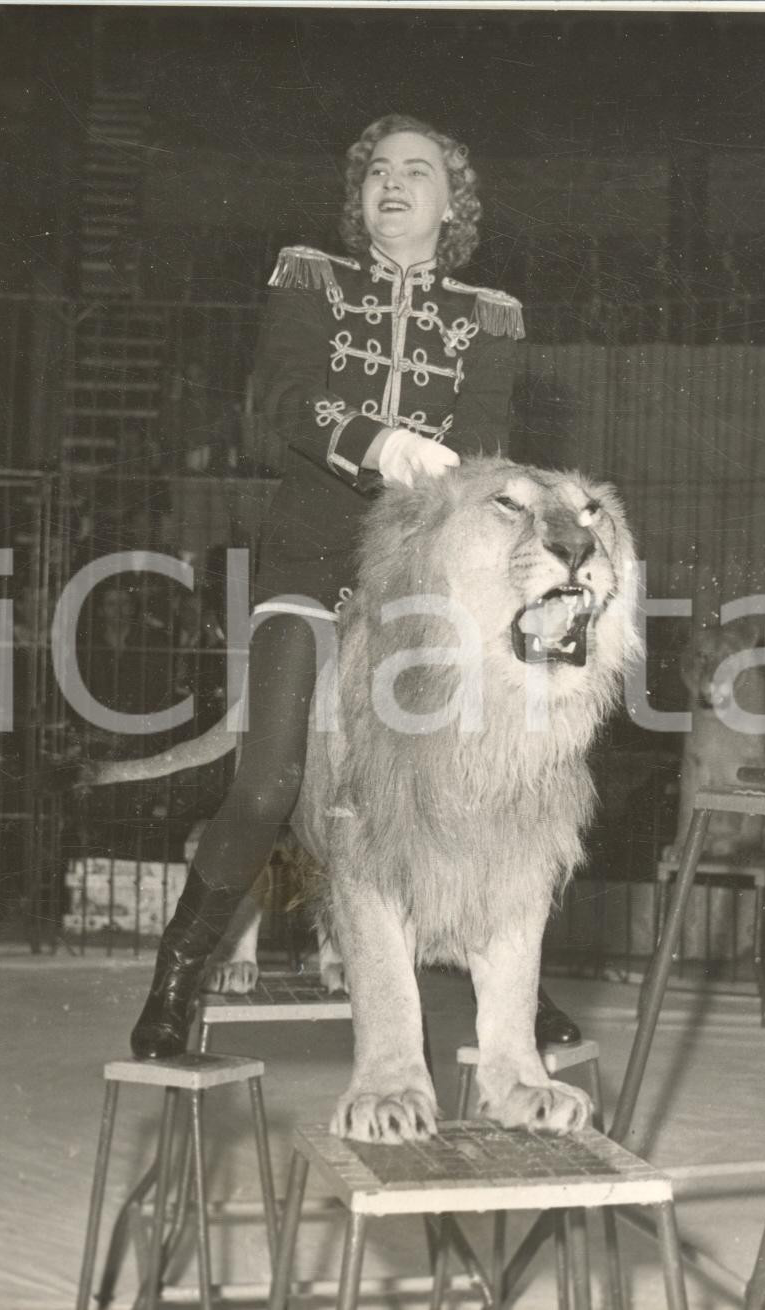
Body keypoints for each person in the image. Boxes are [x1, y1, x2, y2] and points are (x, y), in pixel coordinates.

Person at [131, 114, 580, 1058]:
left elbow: (484, 451)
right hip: (308, 560)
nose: (393, 184)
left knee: (490, 765)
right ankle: (178, 976)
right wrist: (379, 444)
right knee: (270, 783)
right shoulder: (311, 279)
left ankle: (519, 992)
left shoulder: (487, 315)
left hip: (416, 572)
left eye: (417, 172)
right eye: (378, 170)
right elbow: (286, 400)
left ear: (450, 203)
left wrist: (452, 477)